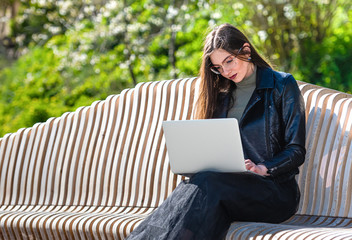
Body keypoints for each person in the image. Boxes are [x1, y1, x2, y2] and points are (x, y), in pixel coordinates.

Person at [126, 23, 306, 240]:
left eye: (228, 61)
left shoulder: (282, 85)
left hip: (274, 192)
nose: (225, 71)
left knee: (207, 186)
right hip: (225, 188)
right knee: (195, 188)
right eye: (218, 67)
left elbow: (296, 150)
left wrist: (263, 167)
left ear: (246, 51)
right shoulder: (221, 95)